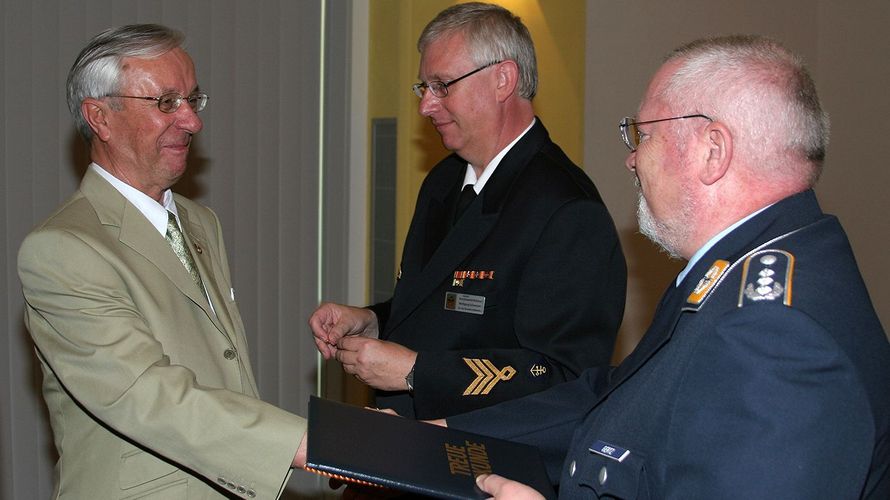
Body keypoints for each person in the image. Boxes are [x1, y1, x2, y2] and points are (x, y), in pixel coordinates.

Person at [444, 35, 890, 498]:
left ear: (712, 150)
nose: (632, 159)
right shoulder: (736, 268)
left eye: (644, 134)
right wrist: (446, 431)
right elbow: (618, 397)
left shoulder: (775, 335)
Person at [18, 24, 308, 499]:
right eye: (167, 103)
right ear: (100, 118)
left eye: (194, 100)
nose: (192, 121)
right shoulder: (62, 248)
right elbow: (145, 394)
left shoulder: (199, 222)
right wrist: (309, 445)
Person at [309, 2, 626, 420]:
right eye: (423, 87)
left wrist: (416, 372)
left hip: (490, 469)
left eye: (442, 85)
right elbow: (444, 309)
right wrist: (372, 321)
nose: (426, 105)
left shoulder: (566, 210)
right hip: (412, 451)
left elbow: (563, 379)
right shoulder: (444, 180)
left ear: (503, 79)